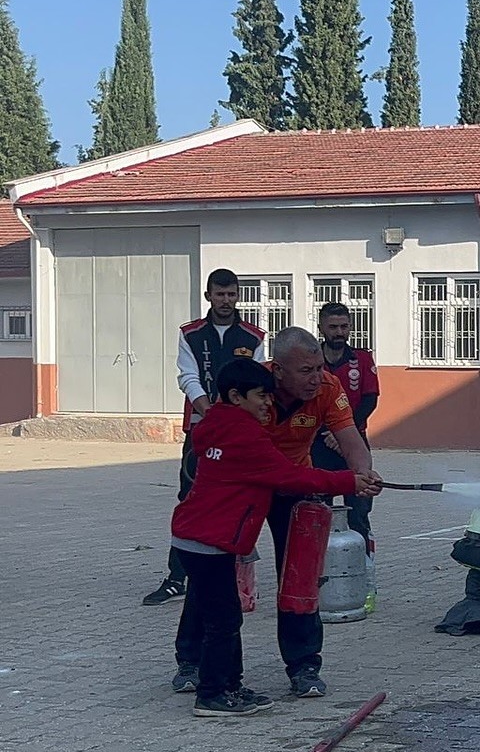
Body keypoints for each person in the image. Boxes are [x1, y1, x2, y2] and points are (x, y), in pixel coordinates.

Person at [171, 327, 376, 699]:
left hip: (296, 488)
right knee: (213, 573)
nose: (316, 378)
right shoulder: (250, 390)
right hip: (250, 488)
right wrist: (345, 481)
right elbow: (211, 434)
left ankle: (303, 666)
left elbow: (351, 439)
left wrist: (362, 476)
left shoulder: (329, 388)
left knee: (300, 576)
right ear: (277, 370)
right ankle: (191, 661)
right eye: (305, 371)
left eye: (318, 368)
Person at [143, 268, 266, 607]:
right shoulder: (191, 333)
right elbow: (187, 376)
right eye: (219, 294)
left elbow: (254, 384)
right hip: (201, 427)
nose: (225, 300)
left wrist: (232, 420)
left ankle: (230, 573)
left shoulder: (253, 336)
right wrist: (211, 414)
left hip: (239, 432)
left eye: (231, 294)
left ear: (238, 295)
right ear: (208, 296)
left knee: (237, 499)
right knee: (190, 498)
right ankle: (177, 576)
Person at [311, 301, 380, 545]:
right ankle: (320, 572)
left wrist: (343, 432)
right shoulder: (313, 361)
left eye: (343, 326)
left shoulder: (361, 358)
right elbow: (305, 398)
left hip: (354, 444)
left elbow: (370, 400)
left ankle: (364, 571)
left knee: (359, 513)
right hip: (319, 445)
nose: (339, 332)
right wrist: (328, 431)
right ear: (321, 328)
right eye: (333, 327)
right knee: (318, 511)